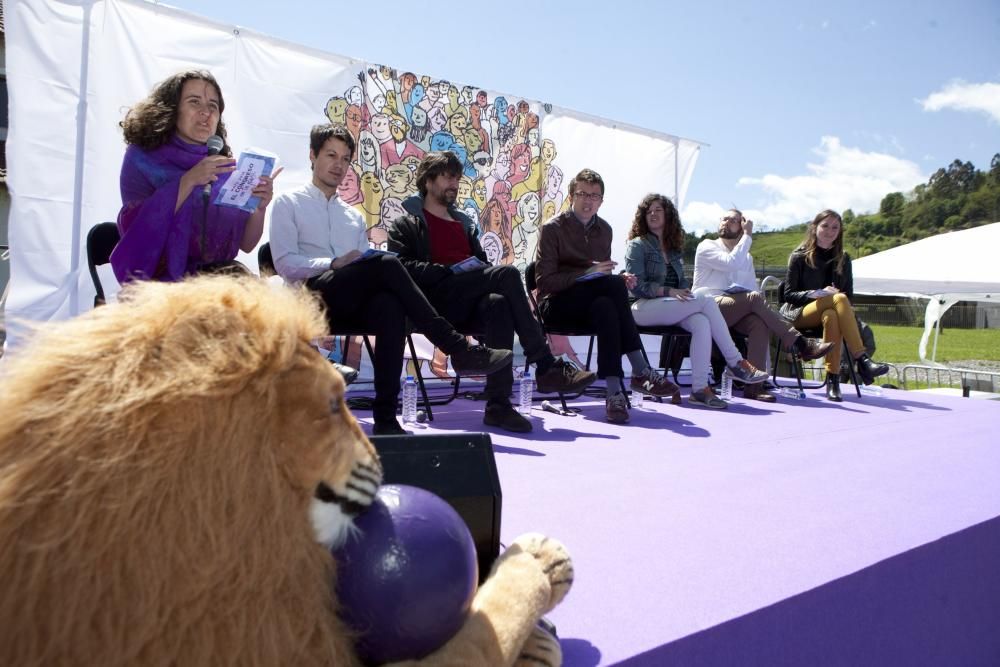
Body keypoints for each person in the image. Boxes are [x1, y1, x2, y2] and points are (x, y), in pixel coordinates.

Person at [269, 124, 513, 435]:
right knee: (385, 263)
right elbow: (284, 263)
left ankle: (385, 417)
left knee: (389, 303)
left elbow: (364, 272)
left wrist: (355, 263)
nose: (338, 164)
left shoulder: (353, 216)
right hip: (309, 298)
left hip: (349, 300)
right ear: (312, 156)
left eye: (345, 158)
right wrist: (333, 262)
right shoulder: (288, 203)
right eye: (330, 155)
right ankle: (455, 346)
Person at [387, 151, 597, 433]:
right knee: (508, 274)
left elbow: (483, 267)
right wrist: (447, 270)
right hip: (433, 304)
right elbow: (401, 269)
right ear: (427, 181)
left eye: (457, 179)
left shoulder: (463, 224)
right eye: (448, 177)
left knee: (498, 302)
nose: (455, 184)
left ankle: (498, 406)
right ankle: (545, 365)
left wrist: (471, 270)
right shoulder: (407, 223)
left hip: (467, 299)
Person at [533, 170, 680, 424]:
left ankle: (614, 395)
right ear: (571, 196)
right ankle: (640, 369)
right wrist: (586, 274)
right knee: (611, 290)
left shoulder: (605, 230)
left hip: (591, 305)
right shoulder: (552, 228)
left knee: (607, 305)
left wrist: (618, 277)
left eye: (595, 195)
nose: (588, 200)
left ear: (601, 201)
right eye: (582, 194)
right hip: (557, 305)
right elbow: (544, 283)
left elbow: (601, 279)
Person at [111, 70, 281, 282]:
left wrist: (259, 207)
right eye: (194, 102)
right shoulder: (142, 158)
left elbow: (246, 244)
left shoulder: (222, 165)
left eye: (213, 106)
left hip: (222, 279)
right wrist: (190, 180)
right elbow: (138, 235)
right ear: (172, 109)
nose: (206, 112)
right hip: (161, 284)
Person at [624, 194, 770, 409]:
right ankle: (736, 362)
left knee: (701, 321)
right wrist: (669, 291)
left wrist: (679, 292)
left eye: (658, 210)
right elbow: (636, 286)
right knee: (704, 296)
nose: (653, 214)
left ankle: (699, 389)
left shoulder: (673, 249)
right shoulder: (638, 245)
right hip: (641, 307)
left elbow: (683, 283)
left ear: (668, 215)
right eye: (649, 211)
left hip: (668, 306)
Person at [692, 209, 834, 402]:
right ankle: (801, 343)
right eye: (724, 219)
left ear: (741, 226)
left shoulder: (747, 258)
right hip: (706, 307)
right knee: (753, 299)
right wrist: (748, 235)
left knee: (758, 323)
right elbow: (731, 263)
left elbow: (752, 289)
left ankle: (754, 387)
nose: (726, 222)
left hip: (734, 311)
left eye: (733, 220)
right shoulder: (707, 246)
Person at [780, 209, 889, 402]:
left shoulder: (844, 258)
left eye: (835, 227)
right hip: (800, 313)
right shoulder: (799, 256)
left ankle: (833, 379)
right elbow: (788, 295)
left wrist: (834, 297)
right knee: (838, 299)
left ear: (840, 231)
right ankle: (862, 359)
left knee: (832, 313)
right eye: (825, 226)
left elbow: (850, 295)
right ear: (814, 228)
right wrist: (816, 294)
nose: (830, 231)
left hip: (831, 313)